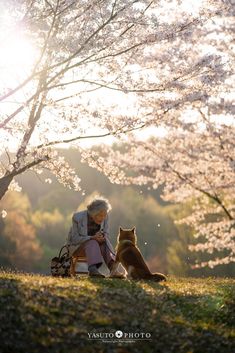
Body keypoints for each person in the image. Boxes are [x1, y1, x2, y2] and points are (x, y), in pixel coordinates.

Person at [67, 196, 123, 278]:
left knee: (104, 242)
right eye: (100, 215)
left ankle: (113, 270)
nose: (103, 218)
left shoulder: (105, 217)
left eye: (104, 215)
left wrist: (102, 237)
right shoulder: (77, 218)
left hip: (97, 247)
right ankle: (93, 270)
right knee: (92, 242)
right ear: (93, 213)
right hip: (78, 247)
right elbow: (74, 239)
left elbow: (106, 234)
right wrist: (92, 237)